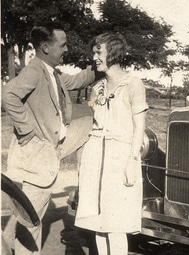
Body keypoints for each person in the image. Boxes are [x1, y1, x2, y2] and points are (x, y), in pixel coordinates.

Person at [2, 22, 98, 255]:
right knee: (31, 223)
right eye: (62, 45)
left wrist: (102, 65)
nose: (66, 50)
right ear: (46, 47)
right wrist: (26, 131)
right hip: (37, 157)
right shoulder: (34, 70)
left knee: (89, 124)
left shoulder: (51, 72)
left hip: (54, 146)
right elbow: (9, 95)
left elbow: (76, 81)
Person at [74, 33, 148, 255]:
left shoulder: (134, 84)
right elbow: (97, 123)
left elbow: (139, 127)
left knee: (117, 226)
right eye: (94, 52)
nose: (94, 57)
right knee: (98, 224)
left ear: (113, 53)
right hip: (95, 157)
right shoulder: (98, 87)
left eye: (99, 52)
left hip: (120, 157)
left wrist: (132, 162)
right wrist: (95, 103)